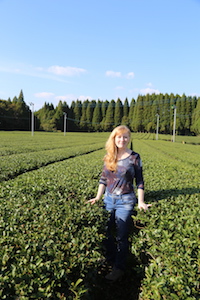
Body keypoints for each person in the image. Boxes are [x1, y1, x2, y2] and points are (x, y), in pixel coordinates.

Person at [87, 125, 151, 282]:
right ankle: (110, 259)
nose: (122, 140)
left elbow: (140, 181)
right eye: (119, 137)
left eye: (125, 137)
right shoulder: (110, 156)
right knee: (106, 232)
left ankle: (119, 268)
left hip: (125, 201)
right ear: (114, 139)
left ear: (129, 139)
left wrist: (141, 201)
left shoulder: (134, 157)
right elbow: (103, 179)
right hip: (108, 199)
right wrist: (97, 197)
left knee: (122, 236)